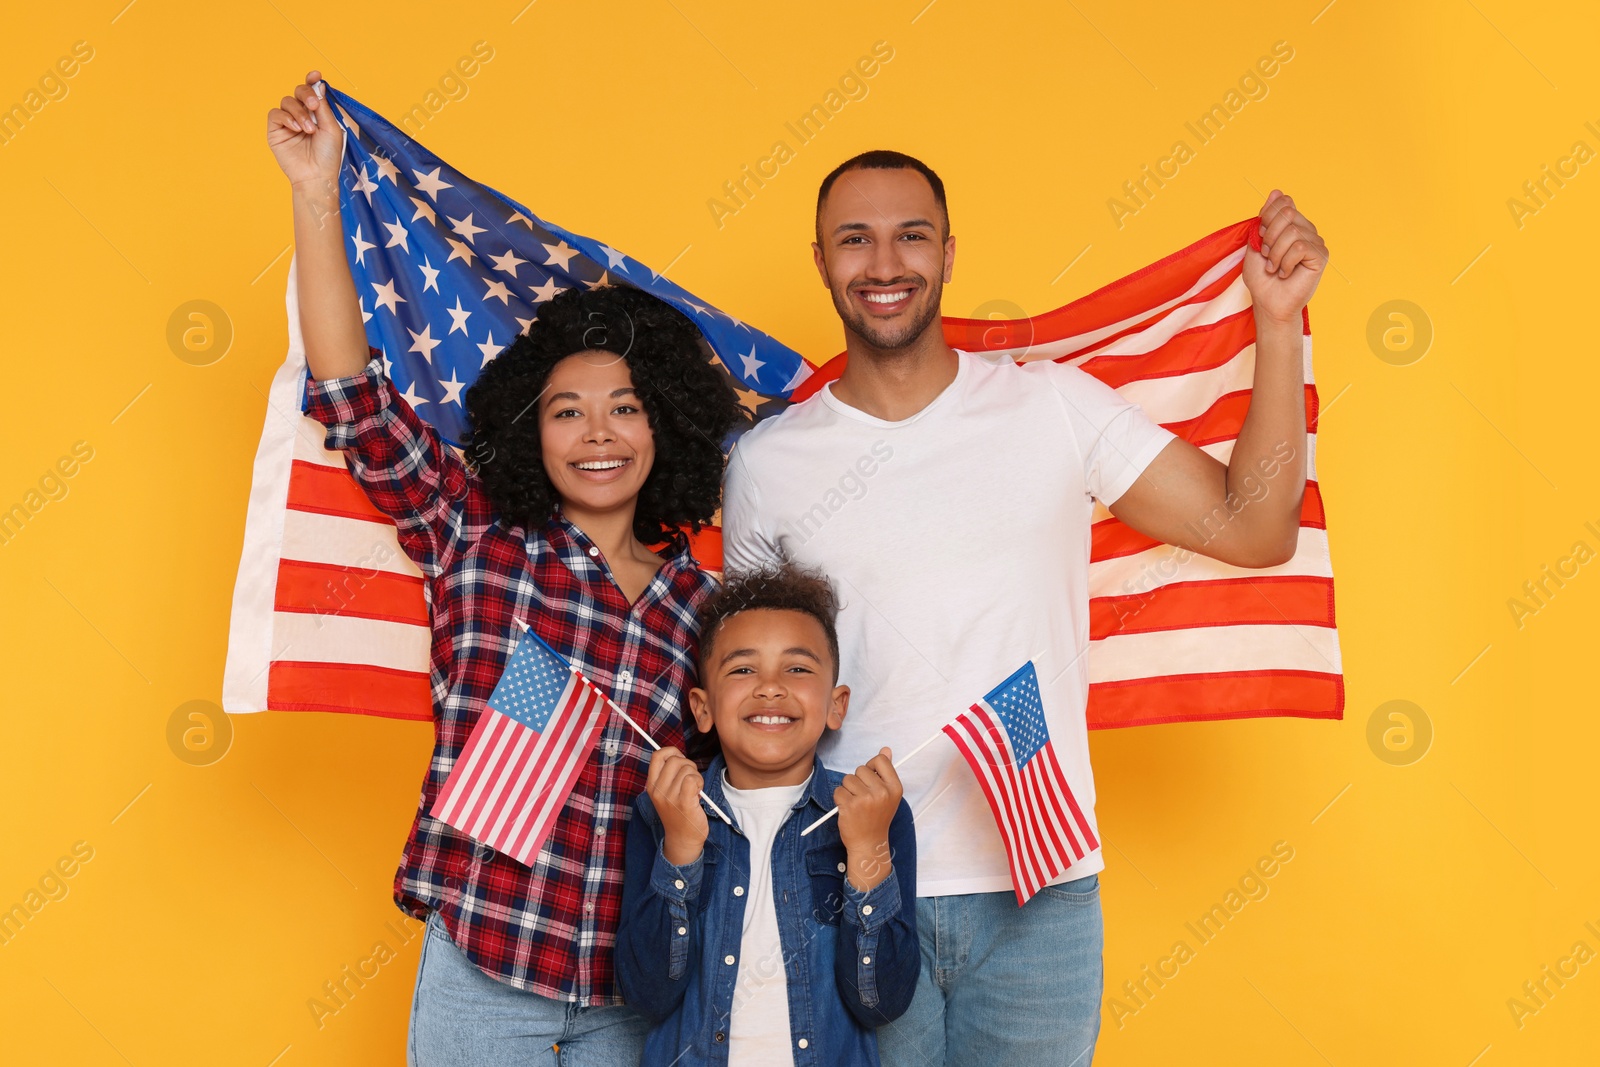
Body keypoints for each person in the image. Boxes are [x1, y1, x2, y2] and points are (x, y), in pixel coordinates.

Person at [720, 149, 1330, 1066]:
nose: (884, 264)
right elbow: (752, 708)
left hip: (1036, 893)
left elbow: (1255, 526)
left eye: (910, 236)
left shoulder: (1054, 407)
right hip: (846, 881)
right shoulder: (767, 463)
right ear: (820, 260)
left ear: (950, 252)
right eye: (856, 239)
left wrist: (1278, 324)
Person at [266, 71, 744, 1065]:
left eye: (625, 407)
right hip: (481, 966)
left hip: (634, 985)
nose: (597, 433)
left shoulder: (707, 609)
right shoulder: (471, 532)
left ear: (667, 425)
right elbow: (352, 396)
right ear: (533, 426)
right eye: (568, 410)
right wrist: (317, 193)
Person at [615, 564, 920, 1066]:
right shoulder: (661, 810)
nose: (771, 687)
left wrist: (867, 850)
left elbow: (880, 1003)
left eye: (797, 668)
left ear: (836, 705)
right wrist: (680, 850)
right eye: (742, 669)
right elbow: (648, 994)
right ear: (703, 707)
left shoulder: (879, 813)